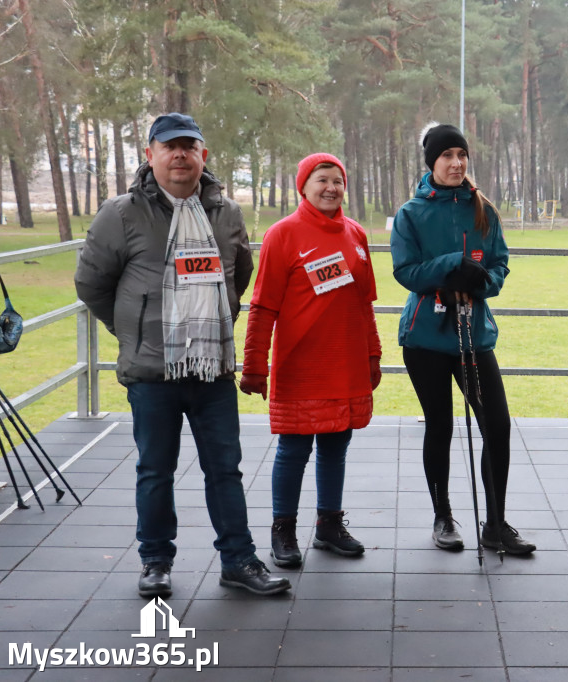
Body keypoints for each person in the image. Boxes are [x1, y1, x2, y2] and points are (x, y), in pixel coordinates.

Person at [74, 113, 290, 597]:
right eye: (168, 147)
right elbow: (91, 283)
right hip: (152, 372)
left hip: (211, 369)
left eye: (188, 146)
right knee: (155, 471)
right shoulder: (122, 213)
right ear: (149, 155)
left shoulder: (226, 213)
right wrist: (133, 333)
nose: (179, 155)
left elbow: (238, 274)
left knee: (225, 469)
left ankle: (238, 560)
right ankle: (155, 561)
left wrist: (212, 324)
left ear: (203, 156)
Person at [391, 123, 535, 555]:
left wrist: (481, 282)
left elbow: (500, 265)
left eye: (461, 154)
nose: (456, 163)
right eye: (446, 156)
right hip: (425, 338)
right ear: (431, 162)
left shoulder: (482, 209)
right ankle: (443, 516)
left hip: (474, 335)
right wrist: (453, 264)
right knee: (439, 425)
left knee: (497, 426)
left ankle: (495, 523)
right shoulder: (411, 214)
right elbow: (405, 271)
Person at [240, 153, 382, 568]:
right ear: (303, 186)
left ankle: (329, 525)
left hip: (347, 361)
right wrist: (254, 363)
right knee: (294, 449)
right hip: (301, 365)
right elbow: (263, 305)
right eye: (322, 180)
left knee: (337, 445)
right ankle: (283, 530)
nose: (331, 188)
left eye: (338, 180)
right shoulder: (283, 234)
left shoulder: (355, 233)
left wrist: (373, 353)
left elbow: (364, 303)